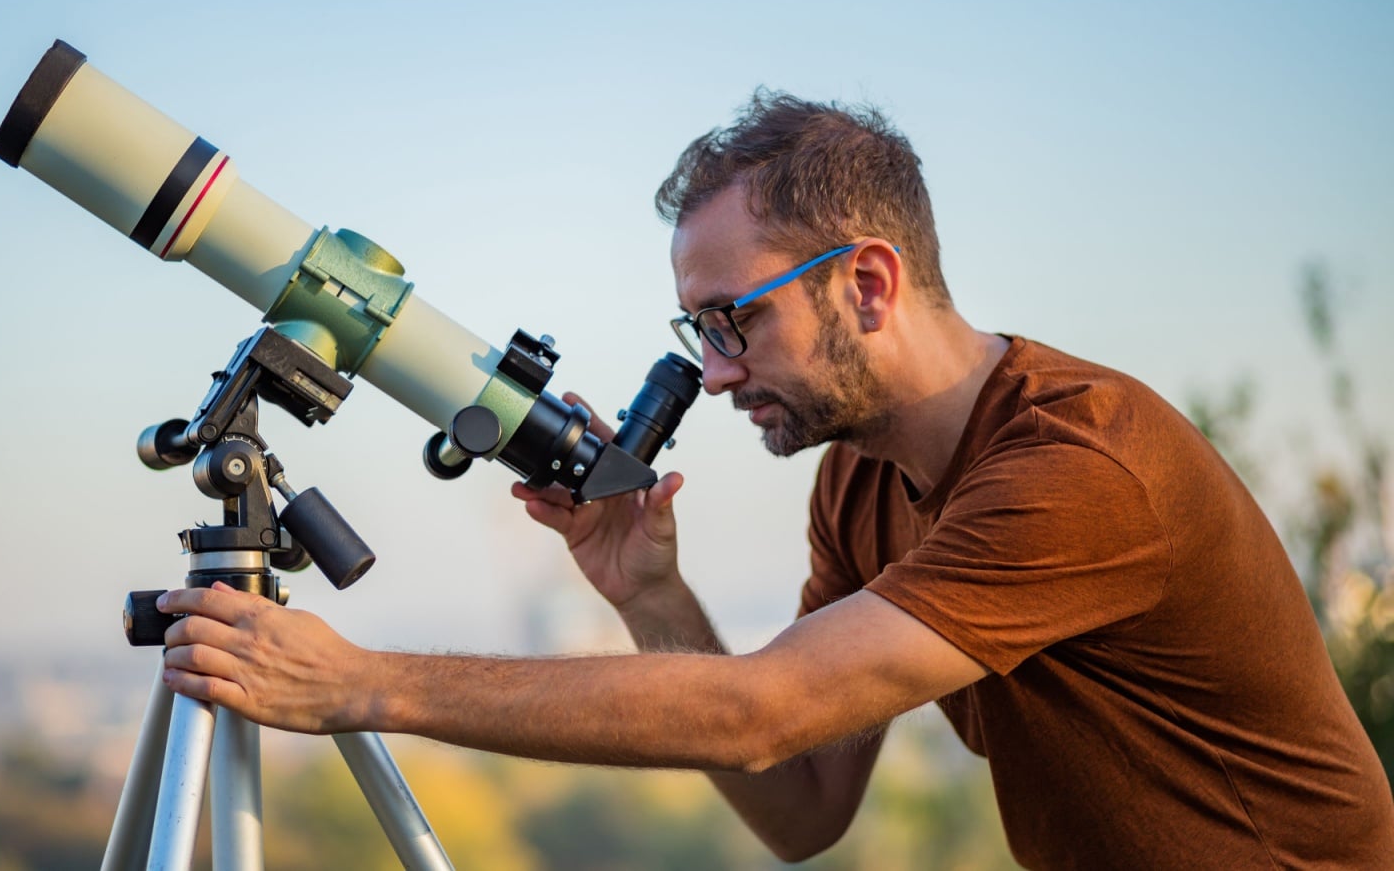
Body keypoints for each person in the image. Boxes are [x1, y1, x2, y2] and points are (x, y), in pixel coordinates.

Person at [154, 92, 1394, 867]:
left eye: (730, 322)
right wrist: (649, 596)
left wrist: (362, 684)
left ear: (865, 283)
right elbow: (800, 809)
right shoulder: (859, 484)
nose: (715, 370)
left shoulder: (1078, 468)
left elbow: (764, 712)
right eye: (696, 331)